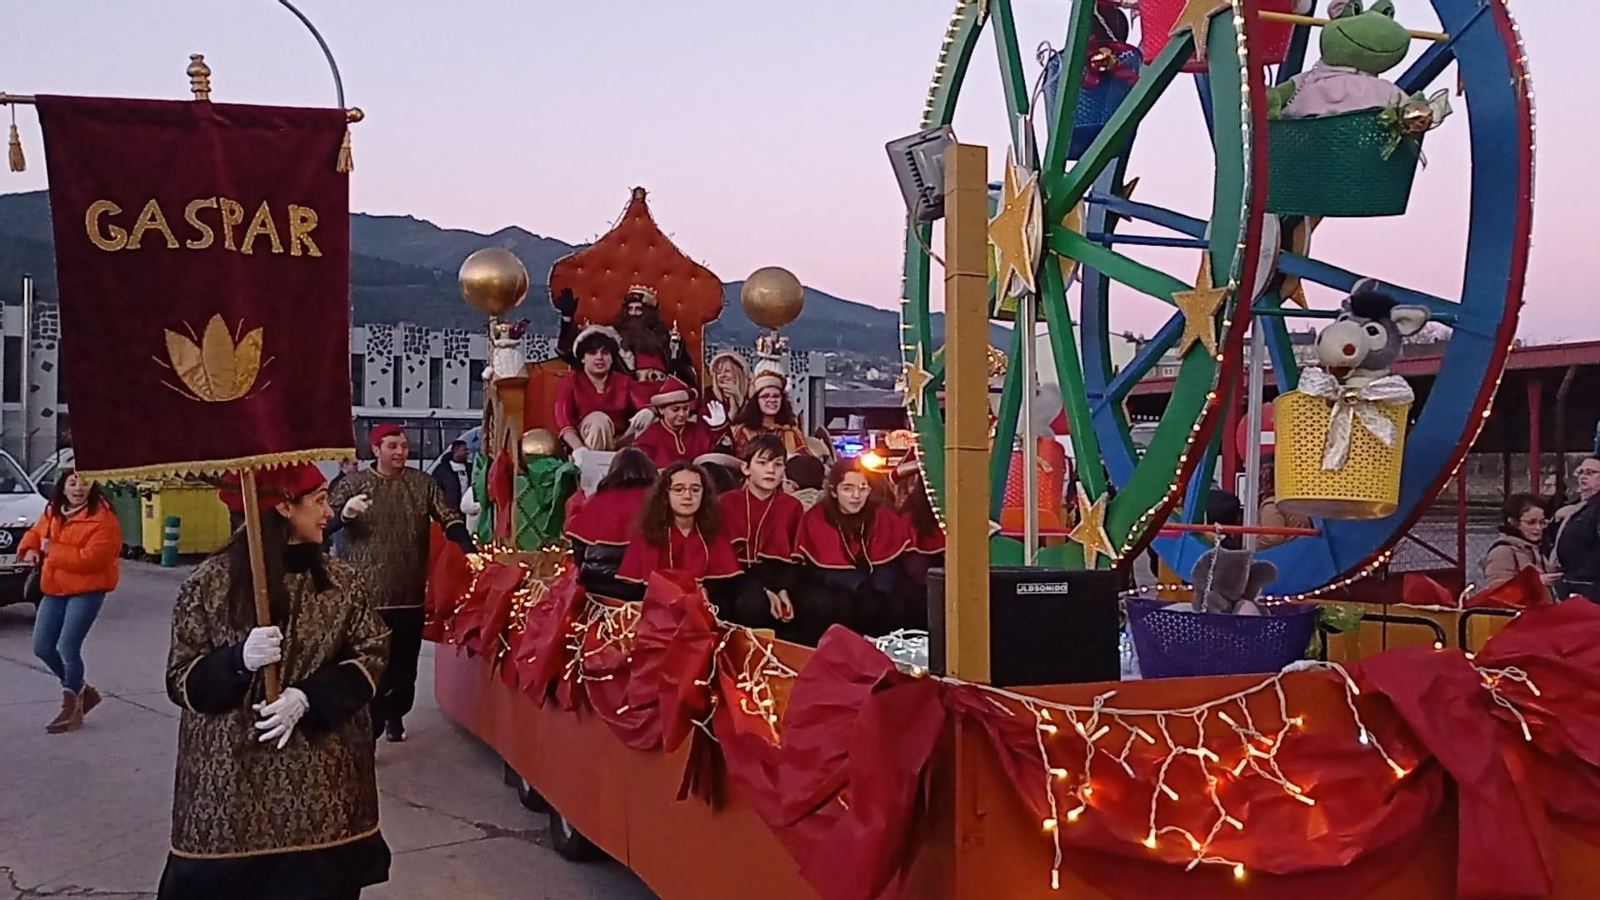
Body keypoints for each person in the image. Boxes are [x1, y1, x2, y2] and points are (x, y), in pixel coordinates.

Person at [159, 463, 391, 900]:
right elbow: (180, 679)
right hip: (230, 788)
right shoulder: (207, 584)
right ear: (284, 506)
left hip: (324, 789)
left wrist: (309, 697)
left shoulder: (342, 581)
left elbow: (373, 653)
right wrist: (236, 662)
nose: (330, 512)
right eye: (319, 501)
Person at [330, 424, 476, 743]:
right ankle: (371, 723)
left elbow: (448, 517)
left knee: (404, 667)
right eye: (392, 446)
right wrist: (344, 515)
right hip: (365, 597)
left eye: (404, 446)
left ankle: (395, 714)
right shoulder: (353, 484)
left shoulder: (422, 484)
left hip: (408, 592)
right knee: (368, 664)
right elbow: (322, 525)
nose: (400, 452)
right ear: (376, 449)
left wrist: (469, 550)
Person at [18, 470, 121, 734]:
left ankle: (72, 707)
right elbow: (35, 533)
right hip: (54, 587)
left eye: (84, 483)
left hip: (88, 589)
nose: (78, 488)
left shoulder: (103, 519)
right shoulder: (54, 510)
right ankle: (82, 691)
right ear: (62, 487)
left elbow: (91, 560)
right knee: (42, 646)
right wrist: (30, 548)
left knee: (67, 648)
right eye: (73, 483)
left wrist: (53, 550)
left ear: (93, 487)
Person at [795, 458, 915, 637]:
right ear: (834, 491)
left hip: (874, 582)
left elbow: (888, 561)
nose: (856, 496)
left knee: (896, 603)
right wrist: (859, 586)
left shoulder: (881, 515)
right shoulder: (816, 518)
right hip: (834, 585)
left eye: (863, 488)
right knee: (839, 607)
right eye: (847, 488)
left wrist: (879, 590)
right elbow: (820, 569)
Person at [720, 435, 813, 641]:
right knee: (751, 604)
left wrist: (783, 589)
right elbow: (722, 558)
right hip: (737, 575)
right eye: (762, 463)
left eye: (777, 464)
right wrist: (763, 589)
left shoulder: (792, 506)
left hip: (780, 573)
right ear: (746, 468)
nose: (771, 470)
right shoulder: (727, 503)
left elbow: (796, 557)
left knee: (818, 604)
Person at [617, 461, 741, 607]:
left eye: (695, 490)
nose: (688, 496)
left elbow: (724, 588)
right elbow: (631, 590)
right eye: (678, 489)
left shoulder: (714, 533)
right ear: (665, 494)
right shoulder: (646, 534)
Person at [566, 449, 656, 603]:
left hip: (597, 587)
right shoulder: (660, 500)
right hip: (646, 588)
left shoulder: (597, 500)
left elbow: (578, 551)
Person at [554, 325, 638, 453]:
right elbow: (564, 422)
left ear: (612, 358)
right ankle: (594, 466)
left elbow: (644, 406)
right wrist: (580, 450)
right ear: (582, 358)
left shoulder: (624, 381)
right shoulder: (570, 382)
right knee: (599, 420)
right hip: (582, 443)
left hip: (620, 443)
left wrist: (647, 413)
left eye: (605, 353)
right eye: (592, 353)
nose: (600, 357)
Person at [632, 377, 724, 469]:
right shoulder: (649, 436)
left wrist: (719, 428)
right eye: (675, 409)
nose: (682, 414)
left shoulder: (698, 431)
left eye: (685, 408)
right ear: (661, 410)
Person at [730, 362, 812, 458]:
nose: (772, 400)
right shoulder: (744, 431)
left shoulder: (791, 432)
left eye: (776, 396)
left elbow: (805, 461)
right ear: (756, 401)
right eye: (765, 396)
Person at [1480, 493, 1560, 589]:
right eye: (1531, 522)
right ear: (1513, 522)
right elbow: (1497, 590)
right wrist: (1536, 582)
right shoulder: (1503, 551)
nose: (1538, 528)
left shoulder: (1535, 549)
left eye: (1542, 522)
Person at [1552, 456, 1600, 601]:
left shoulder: (1595, 509)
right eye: (1581, 472)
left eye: (1591, 473)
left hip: (1590, 584)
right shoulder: (1578, 507)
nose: (1583, 477)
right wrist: (1556, 519)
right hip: (1571, 581)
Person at [1256, 457, 1310, 549]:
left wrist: (1252, 544)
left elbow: (1273, 538)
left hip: (1284, 555)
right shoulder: (1294, 501)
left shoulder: (1271, 505)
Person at [431, 440, 471, 512]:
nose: (467, 452)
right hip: (450, 511)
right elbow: (435, 491)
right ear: (456, 451)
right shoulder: (442, 470)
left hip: (468, 510)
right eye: (464, 450)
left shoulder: (470, 468)